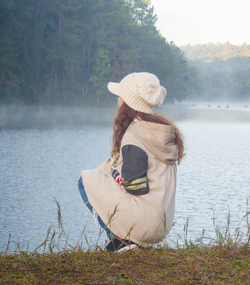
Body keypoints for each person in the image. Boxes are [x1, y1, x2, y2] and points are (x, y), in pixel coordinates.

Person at [78, 72, 184, 252]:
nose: (118, 99)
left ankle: (122, 241)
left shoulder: (134, 137)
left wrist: (113, 174)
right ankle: (128, 242)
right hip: (162, 224)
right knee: (103, 172)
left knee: (85, 180)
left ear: (128, 102)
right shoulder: (160, 131)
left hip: (144, 223)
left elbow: (135, 187)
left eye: (120, 95)